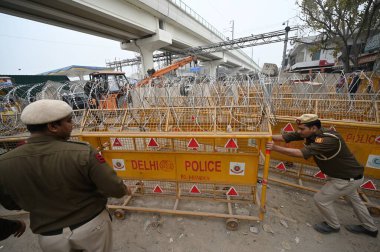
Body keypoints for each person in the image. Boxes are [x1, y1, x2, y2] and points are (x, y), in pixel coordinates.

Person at [0, 99, 130, 251]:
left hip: (49, 236)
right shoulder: (82, 152)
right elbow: (115, 188)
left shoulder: (4, 162)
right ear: (53, 127)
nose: (72, 125)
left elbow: (10, 204)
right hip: (90, 226)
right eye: (68, 121)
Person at [266, 114, 378, 237]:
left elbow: (301, 153)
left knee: (321, 200)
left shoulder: (328, 140)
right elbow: (288, 136)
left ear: (313, 128)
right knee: (355, 201)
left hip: (345, 179)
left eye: (302, 129)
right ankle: (370, 228)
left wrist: (275, 148)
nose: (299, 131)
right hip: (349, 176)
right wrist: (267, 136)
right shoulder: (311, 133)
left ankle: (333, 225)